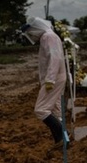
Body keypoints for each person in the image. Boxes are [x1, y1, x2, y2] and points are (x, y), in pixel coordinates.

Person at [20, 16, 67, 145]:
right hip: (56, 77)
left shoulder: (48, 37)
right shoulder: (48, 36)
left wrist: (50, 80)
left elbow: (55, 58)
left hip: (54, 79)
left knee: (41, 110)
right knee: (56, 110)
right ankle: (62, 142)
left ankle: (62, 138)